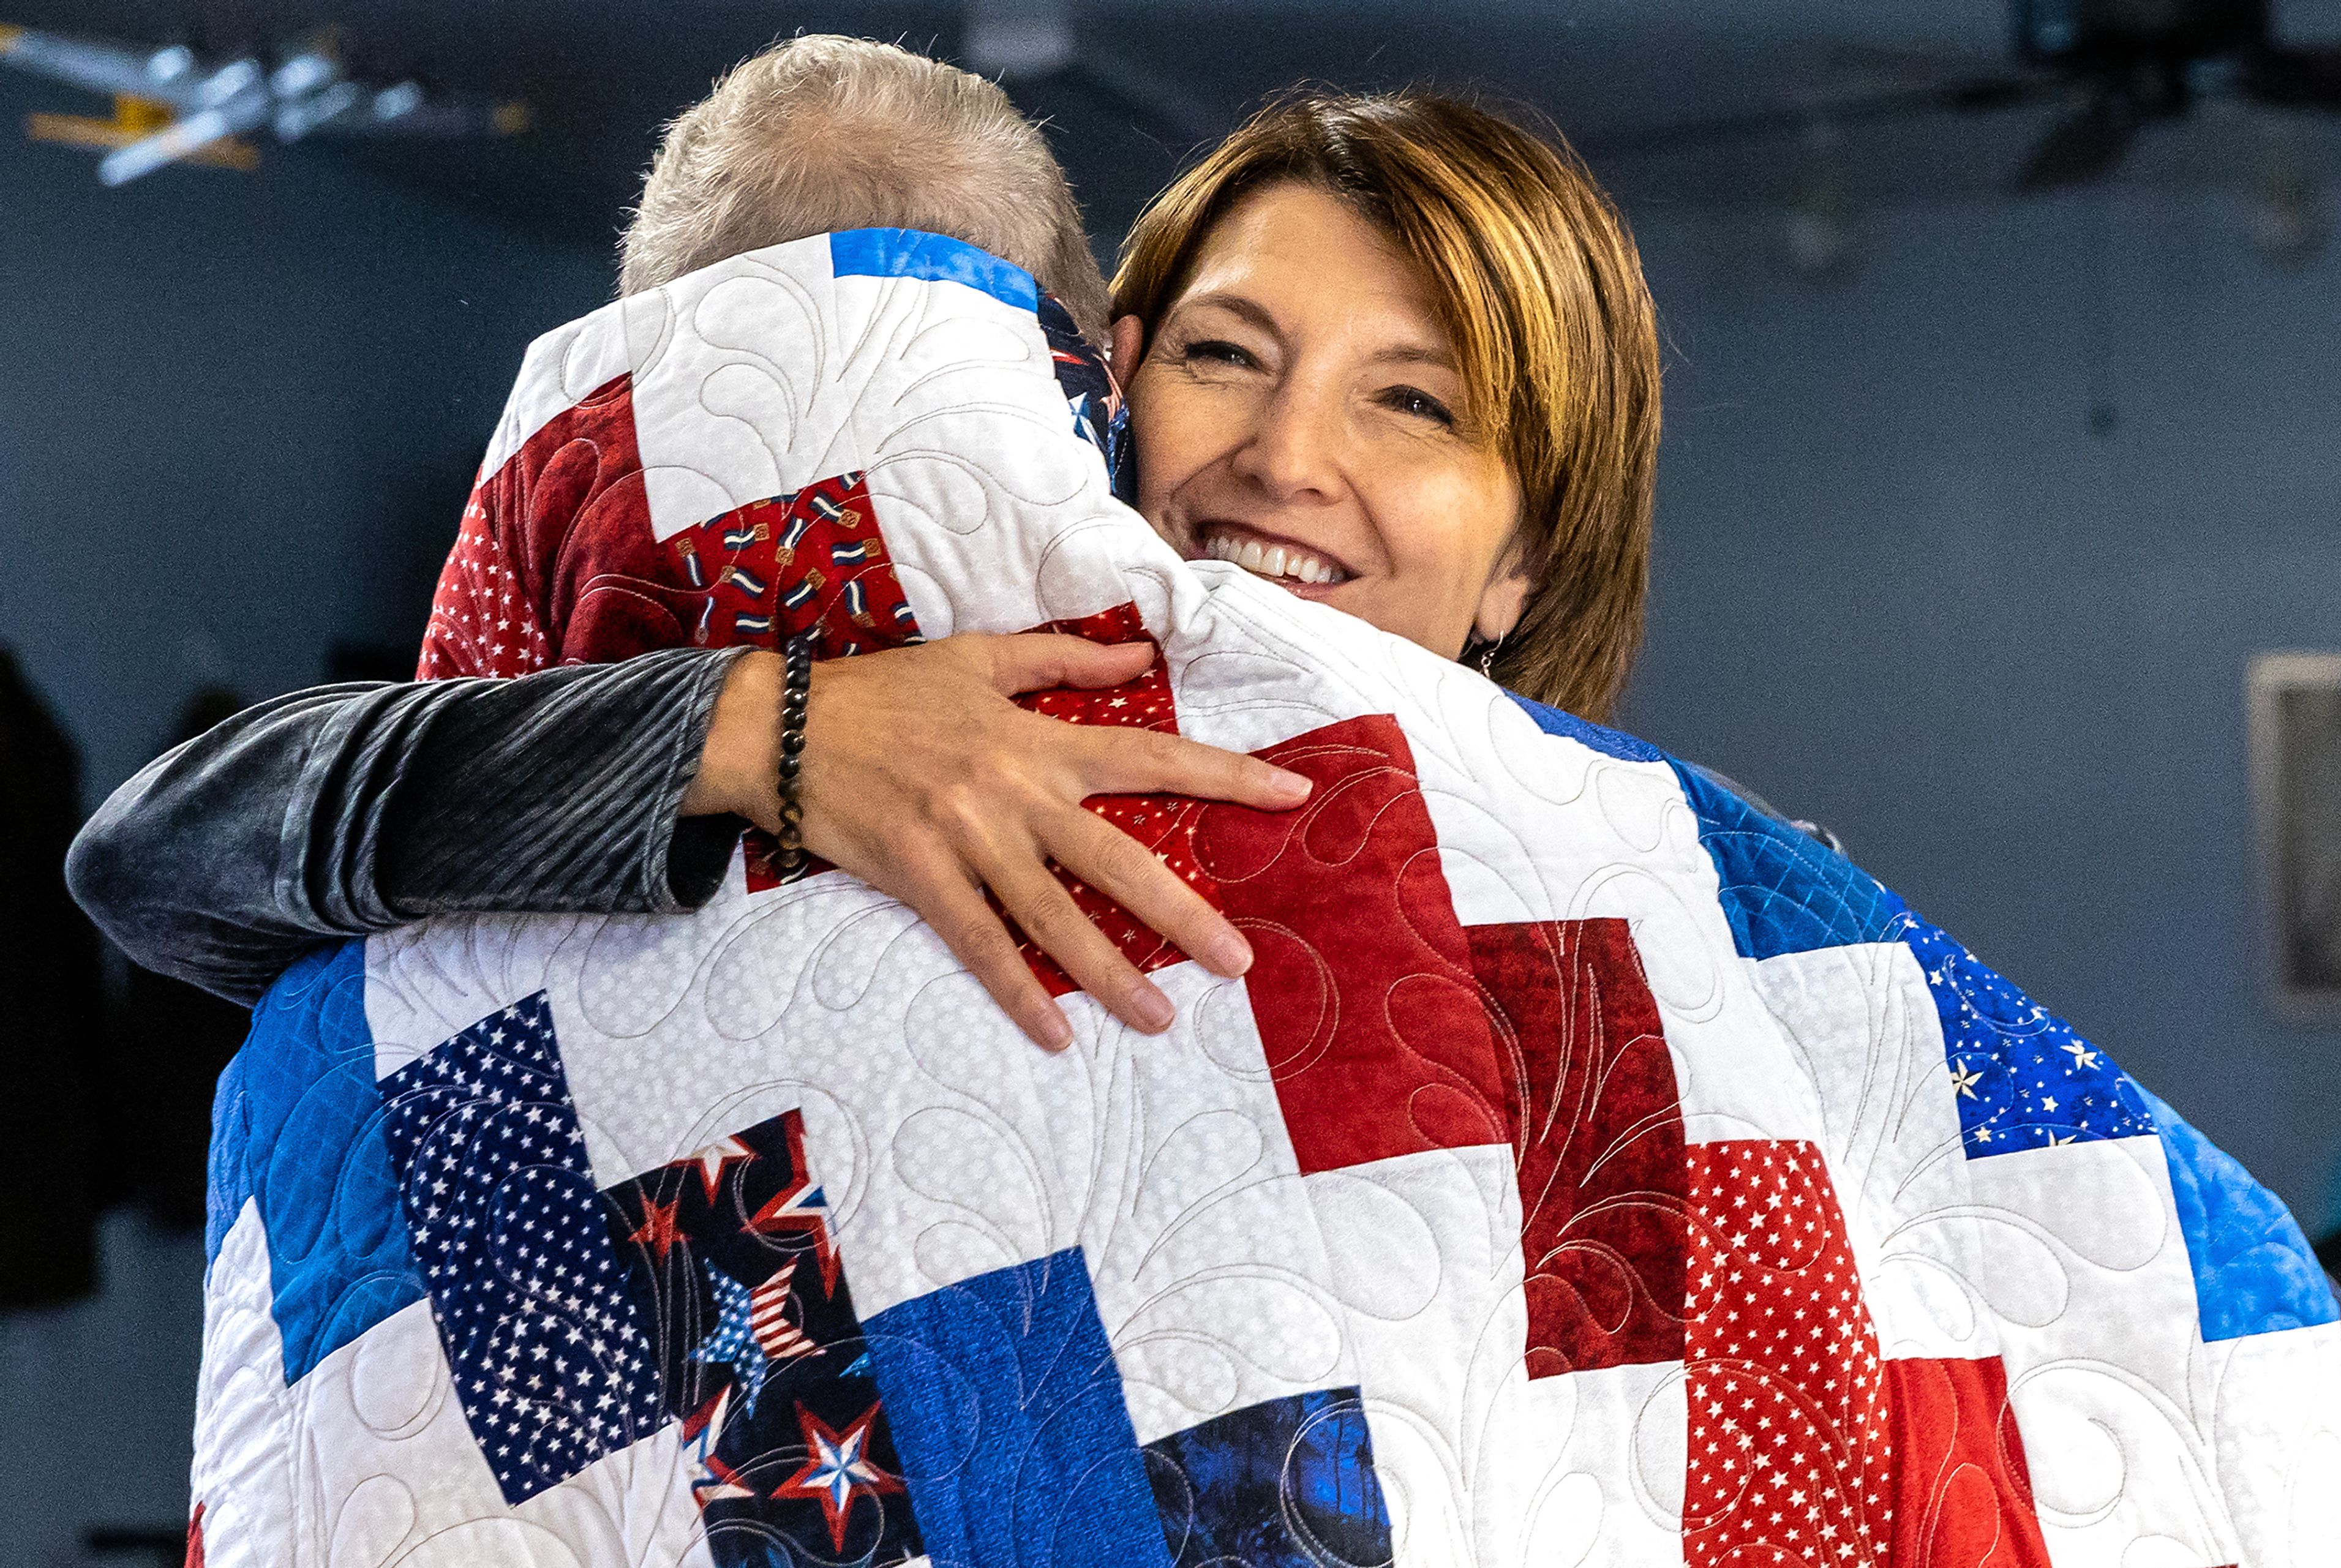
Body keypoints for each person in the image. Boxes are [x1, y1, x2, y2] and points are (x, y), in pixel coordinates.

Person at [70, 40, 1670, 1054]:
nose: (1284, 458)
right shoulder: (765, 732)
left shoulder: (1629, 926)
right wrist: (756, 732)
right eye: (1227, 355)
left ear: (1528, 559)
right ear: (1094, 394)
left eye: (1414, 400)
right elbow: (159, 861)